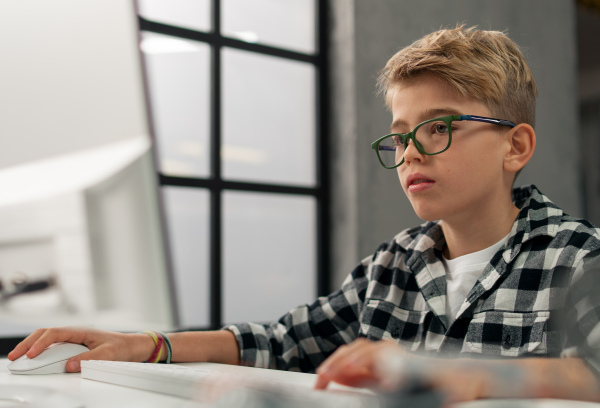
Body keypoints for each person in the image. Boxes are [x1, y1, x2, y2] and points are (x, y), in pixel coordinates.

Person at [9, 25, 600, 403]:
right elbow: (282, 342)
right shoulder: (393, 265)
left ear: (515, 146)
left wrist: (465, 372)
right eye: (399, 137)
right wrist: (150, 345)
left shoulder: (578, 257)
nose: (411, 151)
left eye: (438, 127)